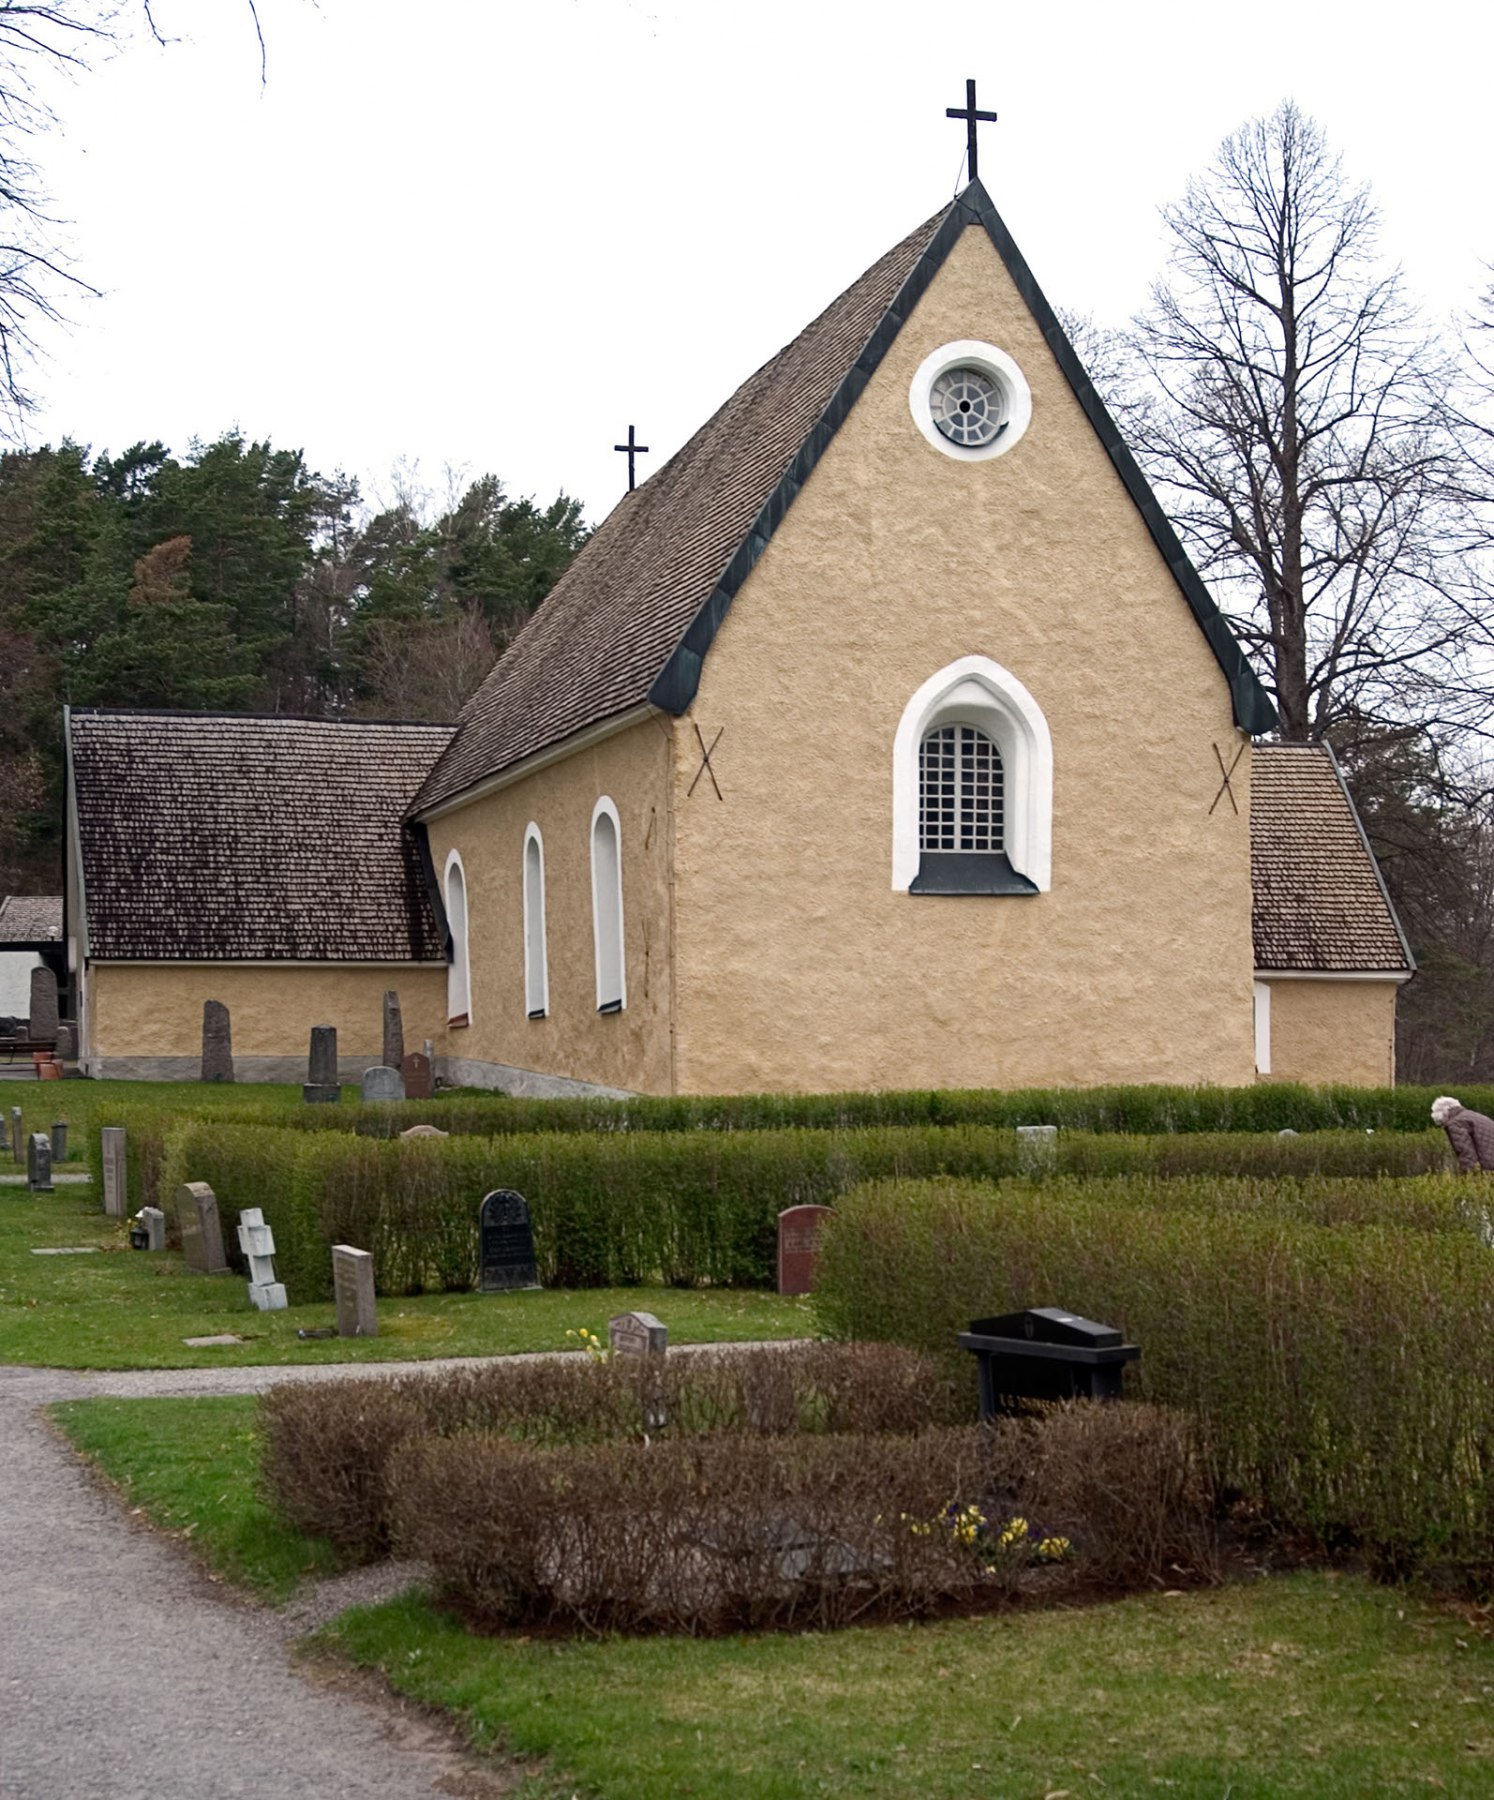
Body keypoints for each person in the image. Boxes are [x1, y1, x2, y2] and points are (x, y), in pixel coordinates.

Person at [1430, 1096, 1494, 1172]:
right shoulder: (1472, 1115)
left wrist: (1469, 1177)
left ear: (1445, 1114)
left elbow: (1467, 1155)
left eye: (1443, 1123)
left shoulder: (1455, 1123)